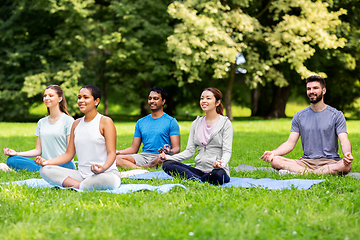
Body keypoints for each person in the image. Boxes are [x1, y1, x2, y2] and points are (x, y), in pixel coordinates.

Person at [261, 75, 353, 175]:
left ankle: (304, 173)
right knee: (276, 161)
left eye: (315, 88)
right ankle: (314, 173)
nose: (311, 91)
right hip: (306, 162)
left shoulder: (336, 115)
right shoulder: (299, 116)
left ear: (324, 91)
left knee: (346, 166)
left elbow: (344, 140)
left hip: (330, 162)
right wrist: (273, 153)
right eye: (308, 89)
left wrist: (347, 153)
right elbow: (290, 144)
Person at [34, 85, 121, 190]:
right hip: (81, 175)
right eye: (79, 97)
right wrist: (46, 162)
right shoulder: (76, 124)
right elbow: (68, 154)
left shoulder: (105, 121)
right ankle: (83, 185)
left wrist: (103, 168)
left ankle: (77, 186)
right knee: (45, 170)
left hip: (105, 174)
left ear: (96, 101)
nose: (81, 100)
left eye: (85, 97)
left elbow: (112, 153)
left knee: (109, 180)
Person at [159, 87, 233, 185]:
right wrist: (168, 158)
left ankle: (196, 179)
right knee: (167, 165)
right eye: (202, 98)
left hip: (217, 170)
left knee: (218, 176)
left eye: (208, 98)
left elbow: (227, 151)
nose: (204, 101)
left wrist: (220, 163)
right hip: (198, 170)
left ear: (217, 102)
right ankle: (200, 179)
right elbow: (189, 151)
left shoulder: (225, 123)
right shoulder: (196, 123)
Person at [2, 85, 76, 172]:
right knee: (11, 160)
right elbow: (38, 150)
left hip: (63, 164)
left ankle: (36, 170)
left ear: (60, 99)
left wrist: (48, 162)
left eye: (50, 95)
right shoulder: (41, 122)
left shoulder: (68, 121)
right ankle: (42, 171)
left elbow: (69, 153)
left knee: (67, 165)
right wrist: (17, 153)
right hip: (44, 164)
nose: (46, 98)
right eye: (45, 96)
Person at [116, 86, 180, 169]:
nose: (152, 101)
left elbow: (176, 148)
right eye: (150, 98)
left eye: (155, 98)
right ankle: (142, 169)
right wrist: (118, 152)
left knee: (163, 159)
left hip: (162, 156)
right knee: (117, 159)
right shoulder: (141, 122)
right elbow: (133, 149)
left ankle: (143, 168)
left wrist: (169, 151)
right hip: (144, 156)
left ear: (163, 101)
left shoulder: (171, 121)